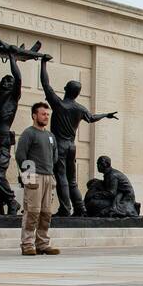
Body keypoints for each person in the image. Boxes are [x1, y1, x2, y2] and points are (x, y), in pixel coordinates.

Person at [39, 55, 117, 216]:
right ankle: (80, 208)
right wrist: (106, 115)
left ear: (66, 89)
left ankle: (65, 208)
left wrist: (43, 63)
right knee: (72, 180)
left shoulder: (59, 104)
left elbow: (45, 84)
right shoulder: (80, 109)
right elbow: (93, 118)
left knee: (61, 178)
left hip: (59, 146)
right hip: (71, 147)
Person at [15, 101, 61, 256]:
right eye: (43, 114)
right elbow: (20, 155)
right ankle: (27, 244)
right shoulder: (29, 133)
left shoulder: (50, 136)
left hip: (49, 177)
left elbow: (55, 156)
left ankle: (42, 243)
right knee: (32, 211)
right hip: (34, 176)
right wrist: (29, 176)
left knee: (46, 212)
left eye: (48, 114)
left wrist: (50, 172)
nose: (46, 116)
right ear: (34, 115)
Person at [0, 50, 24, 215]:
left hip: (2, 140)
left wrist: (12, 59)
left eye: (10, 80)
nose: (6, 82)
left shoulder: (12, 98)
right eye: (4, 79)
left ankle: (11, 201)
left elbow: (19, 78)